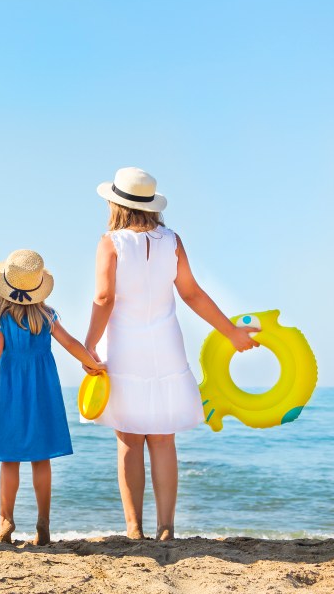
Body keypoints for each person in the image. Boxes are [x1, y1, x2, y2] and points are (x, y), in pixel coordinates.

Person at [83, 167, 259, 541]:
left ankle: (134, 529)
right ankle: (167, 528)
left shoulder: (110, 242)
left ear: (115, 205)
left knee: (129, 439)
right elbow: (192, 293)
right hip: (166, 347)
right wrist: (231, 333)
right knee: (163, 439)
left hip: (127, 348)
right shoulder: (173, 240)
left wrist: (88, 345)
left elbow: (104, 297)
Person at [0, 250, 104, 546]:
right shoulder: (47, 315)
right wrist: (92, 363)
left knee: (9, 459)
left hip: (8, 390)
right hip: (43, 389)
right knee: (41, 459)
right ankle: (43, 522)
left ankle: (6, 519)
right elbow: (70, 343)